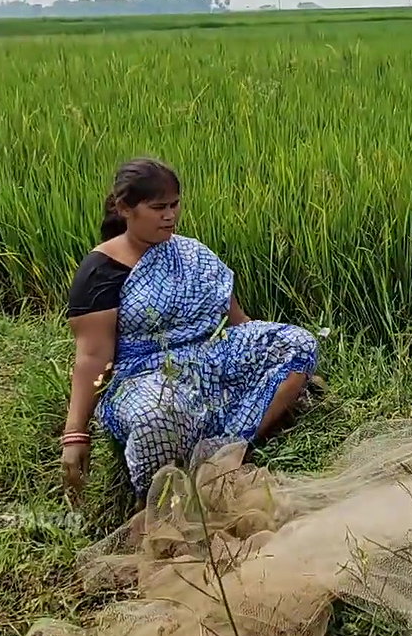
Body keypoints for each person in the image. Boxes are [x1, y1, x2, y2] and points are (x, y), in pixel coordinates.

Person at [58, 157, 319, 501]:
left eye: (174, 205)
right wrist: (76, 433)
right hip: (144, 375)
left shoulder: (190, 253)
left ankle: (229, 449)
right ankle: (163, 496)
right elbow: (93, 357)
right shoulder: (101, 272)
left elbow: (239, 321)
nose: (170, 215)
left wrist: (278, 362)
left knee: (296, 344)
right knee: (157, 417)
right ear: (125, 209)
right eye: (158, 208)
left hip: (210, 355)